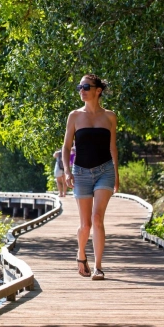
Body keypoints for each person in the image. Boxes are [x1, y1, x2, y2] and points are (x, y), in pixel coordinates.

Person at [62, 74, 119, 281]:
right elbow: (67, 146)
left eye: (86, 86)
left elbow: (113, 147)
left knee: (97, 219)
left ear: (98, 90)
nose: (82, 90)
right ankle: (81, 254)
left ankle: (98, 267)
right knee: (85, 224)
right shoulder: (74, 116)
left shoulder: (110, 116)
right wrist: (67, 171)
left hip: (105, 171)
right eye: (80, 86)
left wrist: (117, 175)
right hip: (81, 172)